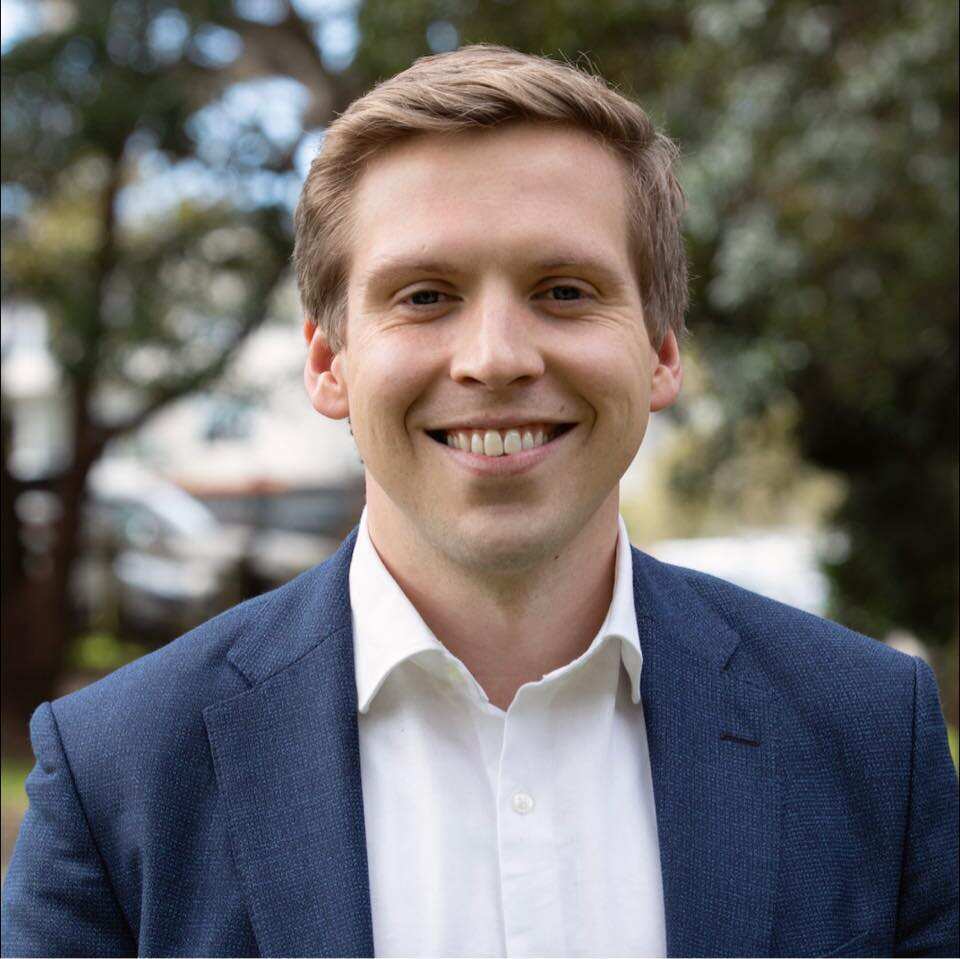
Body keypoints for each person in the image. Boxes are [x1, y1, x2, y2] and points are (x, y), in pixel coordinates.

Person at [2, 44, 957, 959]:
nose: (497, 356)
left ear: (663, 351)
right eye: (424, 295)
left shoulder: (871, 737)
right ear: (329, 362)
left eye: (564, 290)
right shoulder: (117, 773)